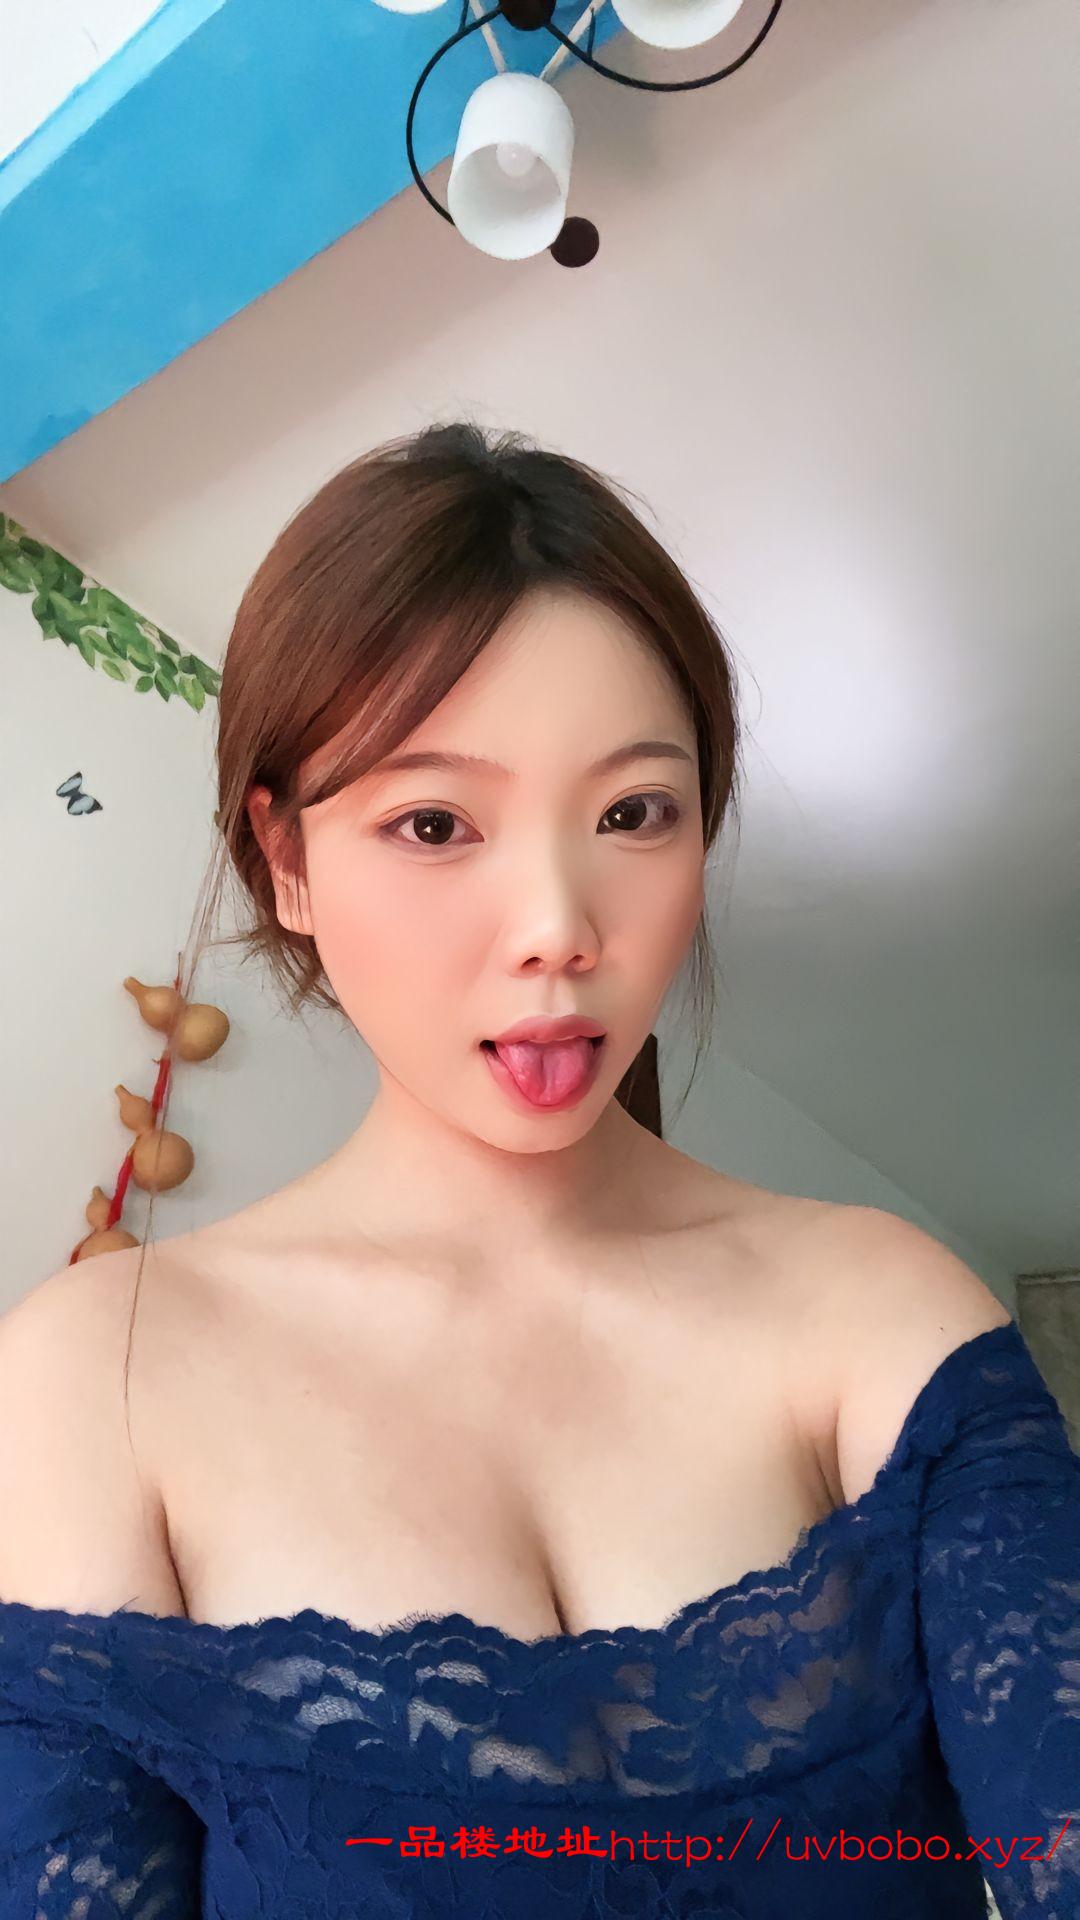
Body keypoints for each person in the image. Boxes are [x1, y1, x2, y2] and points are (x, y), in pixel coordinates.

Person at [0, 421, 1076, 1919]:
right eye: (435, 823)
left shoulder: (882, 1316)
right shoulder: (94, 1382)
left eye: (634, 812)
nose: (560, 927)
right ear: (287, 859)